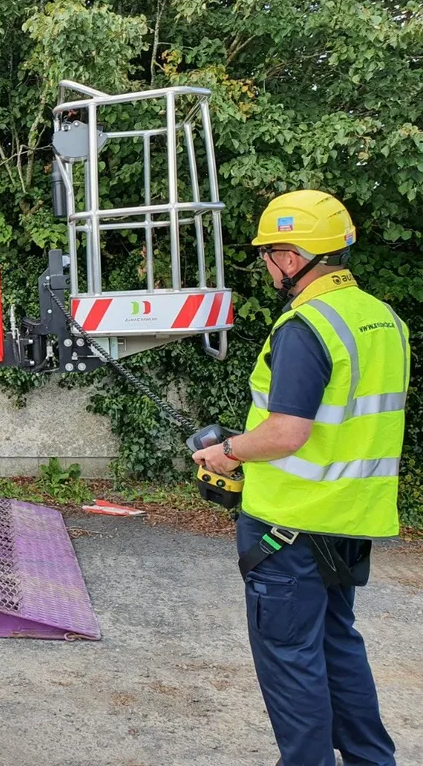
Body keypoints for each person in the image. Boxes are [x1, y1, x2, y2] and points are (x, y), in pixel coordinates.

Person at [192, 190, 409, 766]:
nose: (266, 264)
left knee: (291, 661)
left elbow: (288, 431)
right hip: (349, 521)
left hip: (287, 530)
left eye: (268, 254)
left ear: (292, 258)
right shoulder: (383, 320)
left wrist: (228, 453)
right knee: (338, 647)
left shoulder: (306, 326)